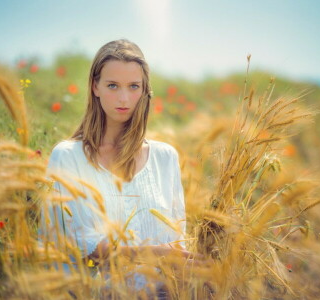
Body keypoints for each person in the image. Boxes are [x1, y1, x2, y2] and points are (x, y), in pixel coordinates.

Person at [40, 39, 207, 295]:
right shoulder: (68, 157)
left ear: (144, 90)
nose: (124, 98)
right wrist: (154, 254)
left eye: (133, 86)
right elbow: (75, 245)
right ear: (95, 87)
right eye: (112, 86)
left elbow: (176, 244)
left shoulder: (165, 158)